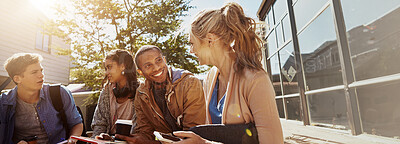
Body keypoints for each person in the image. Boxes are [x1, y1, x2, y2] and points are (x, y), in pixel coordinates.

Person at [173, 2, 284, 144]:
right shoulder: (210, 78)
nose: (191, 51)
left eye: (192, 43)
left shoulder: (256, 80)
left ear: (210, 40)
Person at [115, 45, 206, 143]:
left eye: (158, 60)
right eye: (148, 65)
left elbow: (192, 136)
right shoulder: (141, 94)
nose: (156, 68)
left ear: (164, 60)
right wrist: (116, 139)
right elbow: (144, 133)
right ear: (140, 72)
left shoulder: (190, 83)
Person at [0, 53, 83, 144]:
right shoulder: (3, 103)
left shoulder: (59, 92)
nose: (41, 75)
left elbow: (76, 123)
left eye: (41, 70)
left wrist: (72, 140)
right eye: (34, 72)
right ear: (17, 79)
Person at [91, 49, 139, 138]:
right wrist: (98, 137)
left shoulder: (140, 91)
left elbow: (140, 129)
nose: (106, 72)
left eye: (109, 67)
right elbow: (99, 123)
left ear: (123, 66)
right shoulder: (107, 90)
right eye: (106, 69)